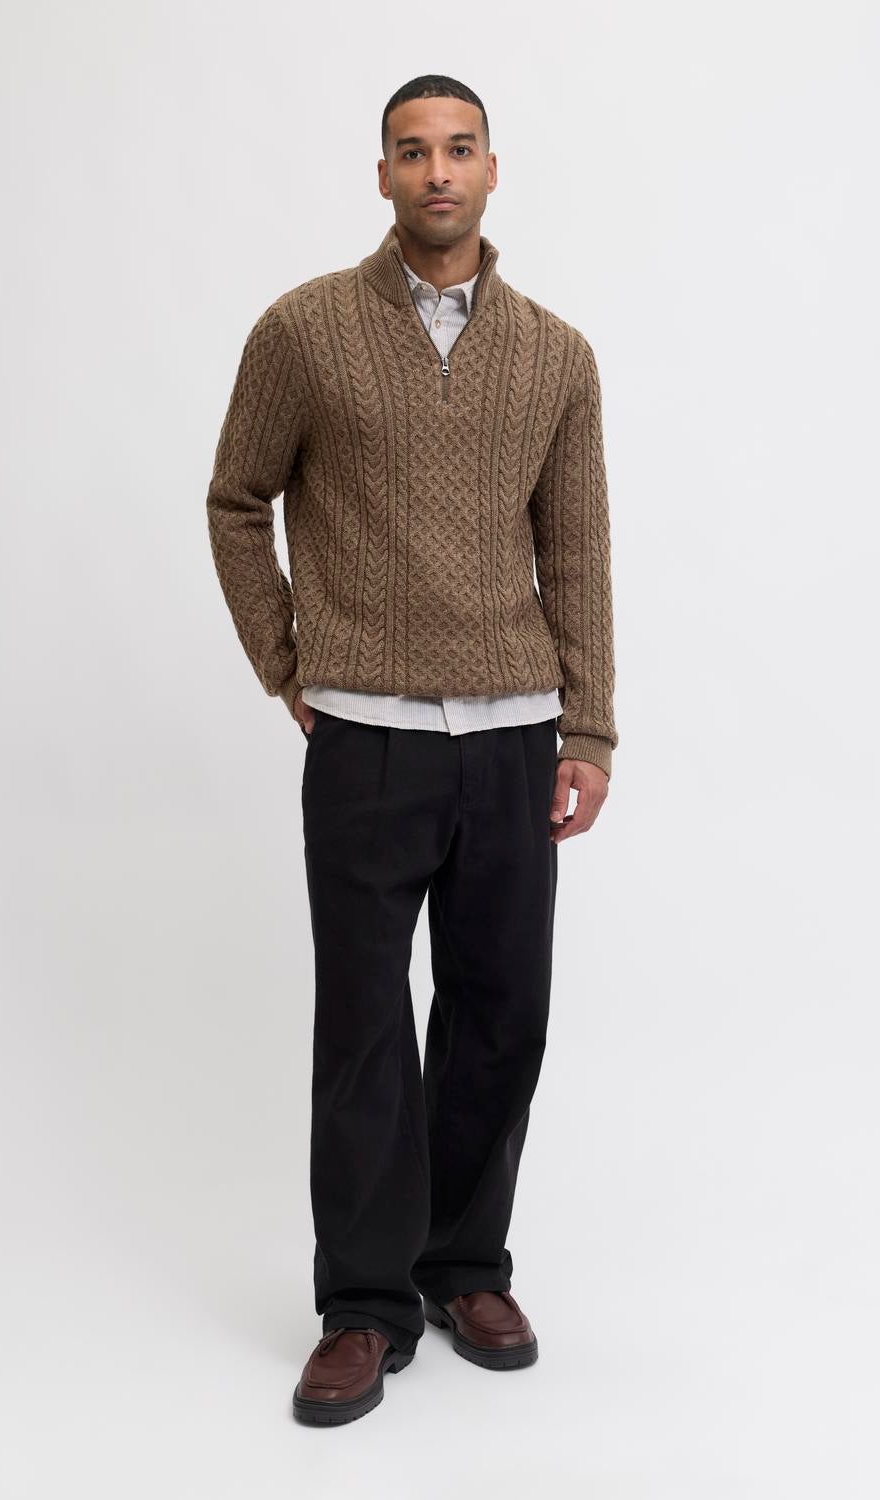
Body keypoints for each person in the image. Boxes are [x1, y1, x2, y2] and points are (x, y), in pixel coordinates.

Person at [205, 74, 617, 1426]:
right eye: (411, 151)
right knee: (366, 1028)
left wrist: (589, 726)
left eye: (458, 148)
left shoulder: (556, 355)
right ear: (381, 175)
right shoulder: (306, 330)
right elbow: (236, 499)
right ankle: (365, 1306)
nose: (437, 170)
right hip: (366, 741)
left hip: (513, 738)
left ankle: (464, 1268)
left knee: (500, 1014)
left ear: (492, 170)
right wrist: (286, 661)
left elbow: (576, 549)